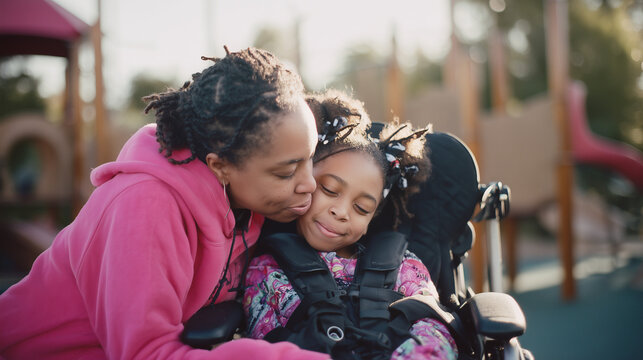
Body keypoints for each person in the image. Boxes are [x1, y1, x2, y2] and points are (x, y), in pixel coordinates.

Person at [0, 47, 329, 359]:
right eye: (287, 172)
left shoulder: (247, 199)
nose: (309, 184)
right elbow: (147, 353)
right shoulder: (143, 208)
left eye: (309, 160)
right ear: (220, 166)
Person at [243, 90, 458, 360]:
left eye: (361, 208)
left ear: (372, 218)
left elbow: (434, 328)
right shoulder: (265, 271)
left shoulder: (405, 266)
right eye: (330, 190)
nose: (341, 212)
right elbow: (265, 342)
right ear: (305, 181)